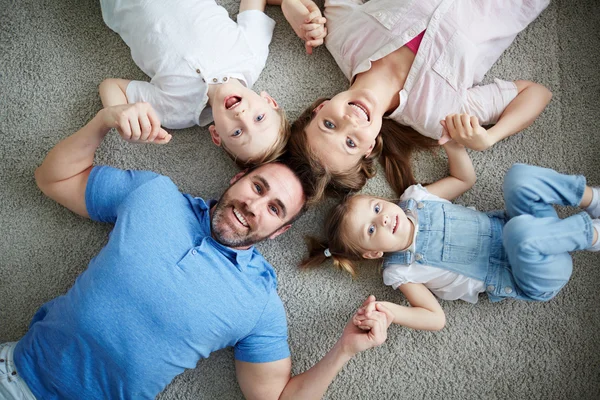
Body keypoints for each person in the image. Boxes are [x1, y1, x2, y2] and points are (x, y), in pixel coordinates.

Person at [0, 103, 394, 400]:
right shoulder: (153, 194)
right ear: (238, 178)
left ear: (280, 231)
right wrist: (105, 120)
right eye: (258, 188)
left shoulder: (259, 302)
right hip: (14, 375)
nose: (254, 207)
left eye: (274, 209)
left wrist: (344, 349)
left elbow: (276, 397)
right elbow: (52, 178)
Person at [300, 138, 600, 331]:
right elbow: (435, 318)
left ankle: (592, 200)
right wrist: (390, 311)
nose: (383, 220)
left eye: (377, 209)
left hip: (526, 226)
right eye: (370, 230)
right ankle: (593, 234)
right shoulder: (400, 271)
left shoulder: (417, 198)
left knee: (518, 177)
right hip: (535, 274)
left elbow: (463, 178)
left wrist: (453, 145)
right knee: (519, 233)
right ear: (373, 253)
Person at [287, 0, 553, 199]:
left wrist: (298, 14)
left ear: (320, 108)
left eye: (329, 125)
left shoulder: (341, 35)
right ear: (370, 148)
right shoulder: (437, 116)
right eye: (350, 142)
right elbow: (537, 93)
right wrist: (491, 137)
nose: (349, 121)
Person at [98, 0, 326, 167]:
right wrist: (291, 5)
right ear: (268, 101)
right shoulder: (252, 55)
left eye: (237, 132)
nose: (242, 116)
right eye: (259, 118)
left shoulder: (176, 111)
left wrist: (121, 115)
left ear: (216, 134)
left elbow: (110, 86)